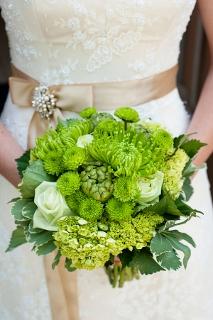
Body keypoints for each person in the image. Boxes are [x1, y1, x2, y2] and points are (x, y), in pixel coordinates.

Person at [0, 1, 213, 319]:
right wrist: (38, 187)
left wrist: (176, 173)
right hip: (20, 162)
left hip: (167, 170)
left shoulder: (173, 174)